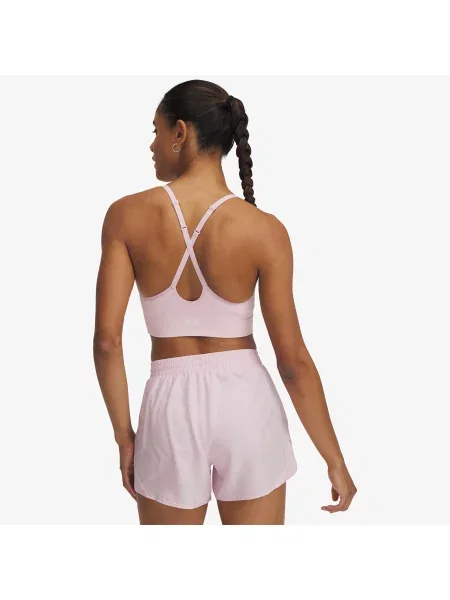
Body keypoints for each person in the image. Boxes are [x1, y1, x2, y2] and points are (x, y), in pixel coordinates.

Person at [93, 79, 357, 525]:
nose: (152, 144)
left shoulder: (126, 216)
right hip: (246, 401)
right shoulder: (265, 229)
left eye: (156, 130)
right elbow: (293, 362)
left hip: (169, 409)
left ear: (180, 132)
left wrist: (125, 438)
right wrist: (334, 458)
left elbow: (107, 342)